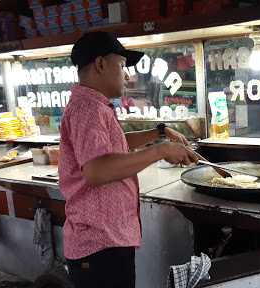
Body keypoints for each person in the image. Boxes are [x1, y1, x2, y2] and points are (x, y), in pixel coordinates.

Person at [59, 31, 199, 288]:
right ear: (100, 64)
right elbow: (97, 170)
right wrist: (161, 150)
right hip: (99, 243)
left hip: (108, 237)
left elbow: (115, 145)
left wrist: (158, 132)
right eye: (122, 65)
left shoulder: (95, 105)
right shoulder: (87, 108)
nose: (127, 75)